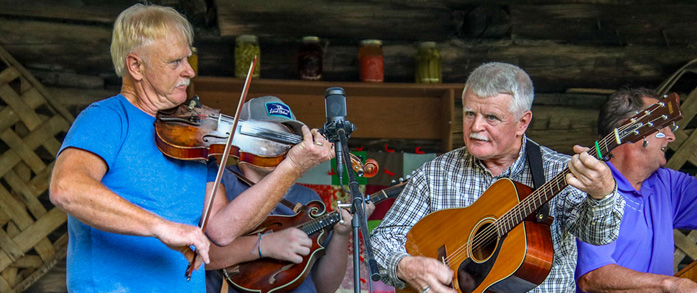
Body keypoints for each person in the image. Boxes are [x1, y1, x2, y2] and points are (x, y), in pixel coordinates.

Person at [48, 4, 333, 292]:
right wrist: (162, 227)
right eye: (175, 62)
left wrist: (291, 167)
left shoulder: (196, 136)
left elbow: (222, 230)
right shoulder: (108, 118)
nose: (189, 71)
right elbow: (67, 188)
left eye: (188, 58)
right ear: (136, 66)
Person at [370, 62, 626, 293]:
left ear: (522, 122)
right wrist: (404, 264)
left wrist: (602, 193)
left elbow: (597, 234)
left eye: (491, 117)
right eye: (470, 113)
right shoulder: (436, 172)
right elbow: (382, 240)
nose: (476, 126)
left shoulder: (557, 171)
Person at [204, 96, 375, 293]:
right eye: (270, 133)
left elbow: (323, 287)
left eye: (287, 135)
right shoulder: (217, 180)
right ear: (241, 136)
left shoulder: (307, 199)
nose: (282, 143)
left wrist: (341, 234)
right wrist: (265, 245)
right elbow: (200, 254)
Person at [575, 88, 697, 292]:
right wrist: (671, 285)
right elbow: (593, 277)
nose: (671, 137)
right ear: (631, 129)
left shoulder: (668, 184)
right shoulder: (588, 185)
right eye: (663, 126)